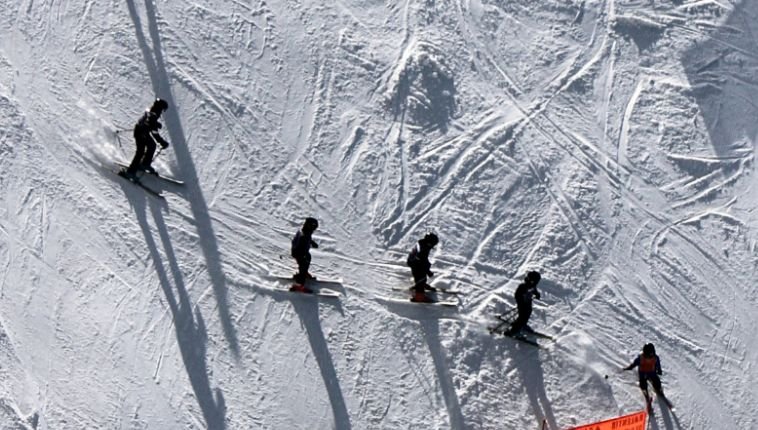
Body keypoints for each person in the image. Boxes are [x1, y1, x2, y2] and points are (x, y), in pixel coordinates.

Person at [121, 98, 170, 180]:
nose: (162, 112)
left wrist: (156, 124)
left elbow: (147, 121)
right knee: (140, 152)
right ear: (160, 108)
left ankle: (144, 164)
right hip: (141, 133)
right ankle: (130, 172)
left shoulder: (151, 110)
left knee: (152, 145)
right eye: (162, 109)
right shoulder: (154, 114)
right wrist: (162, 142)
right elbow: (154, 132)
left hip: (142, 132)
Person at [623, 343, 673, 411]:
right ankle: (645, 390)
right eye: (649, 355)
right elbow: (634, 364)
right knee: (643, 382)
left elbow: (658, 364)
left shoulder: (655, 358)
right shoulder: (640, 358)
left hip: (651, 372)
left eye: (652, 354)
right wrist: (629, 368)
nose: (650, 356)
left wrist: (659, 370)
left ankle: (658, 389)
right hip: (643, 372)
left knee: (656, 380)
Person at [505, 271, 541, 336]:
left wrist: (537, 294)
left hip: (528, 302)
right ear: (531, 280)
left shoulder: (532, 285)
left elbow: (534, 290)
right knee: (522, 316)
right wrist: (522, 301)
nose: (536, 283)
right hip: (521, 302)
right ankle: (513, 331)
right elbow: (517, 295)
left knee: (528, 312)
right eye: (536, 281)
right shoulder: (523, 286)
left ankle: (523, 324)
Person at [406, 232, 439, 302]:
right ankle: (419, 296)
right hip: (415, 263)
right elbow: (422, 262)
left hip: (414, 262)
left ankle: (421, 285)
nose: (432, 246)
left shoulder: (422, 243)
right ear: (429, 242)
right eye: (432, 244)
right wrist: (428, 271)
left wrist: (427, 269)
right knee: (421, 277)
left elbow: (423, 260)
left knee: (421, 277)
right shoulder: (423, 249)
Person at [290, 217, 319, 292]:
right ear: (310, 226)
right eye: (314, 227)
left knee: (308, 258)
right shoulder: (304, 235)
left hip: (301, 252)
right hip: (299, 253)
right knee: (304, 264)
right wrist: (302, 255)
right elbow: (300, 243)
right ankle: (299, 284)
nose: (314, 229)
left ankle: (304, 273)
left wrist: (312, 242)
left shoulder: (306, 231)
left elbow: (307, 238)